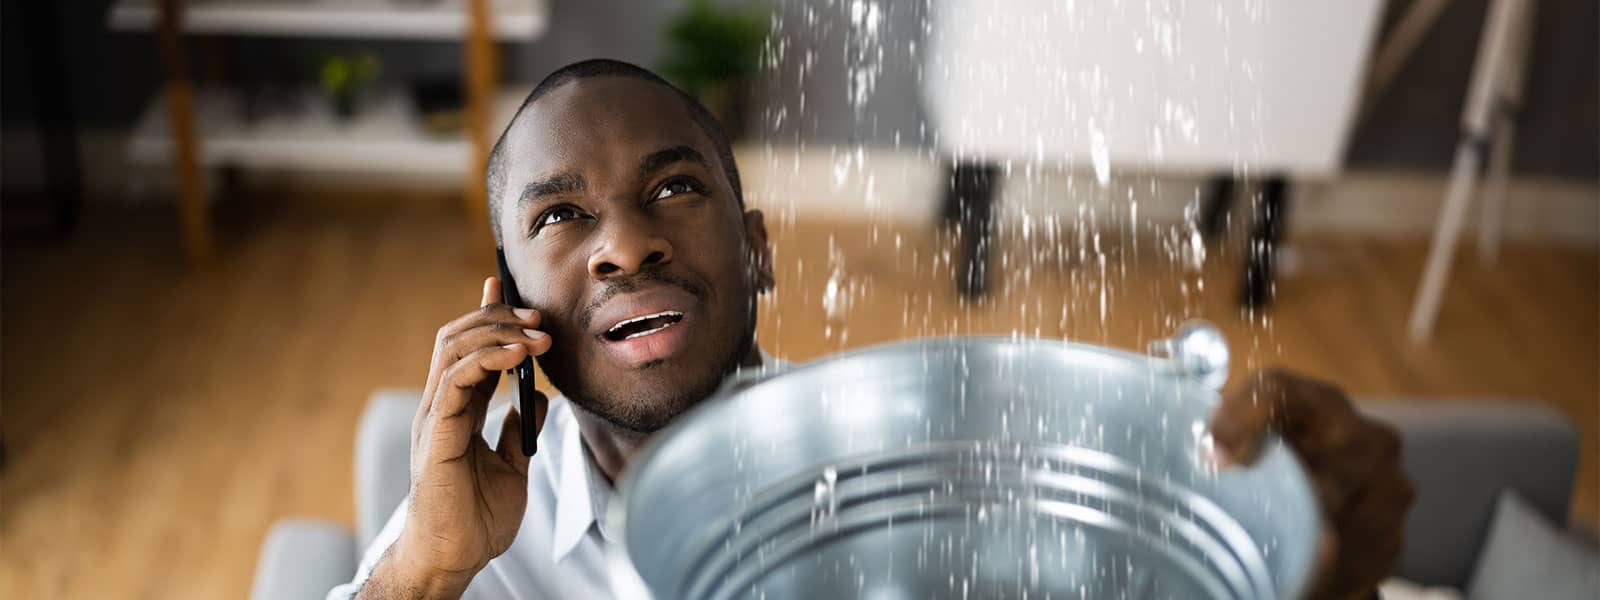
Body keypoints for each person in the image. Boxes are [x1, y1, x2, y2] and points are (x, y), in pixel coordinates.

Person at [332, 59, 1413, 600]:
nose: (623, 246)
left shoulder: (897, 483)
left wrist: (1321, 561)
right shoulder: (465, 544)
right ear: (507, 302)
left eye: (672, 189)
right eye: (560, 217)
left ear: (757, 252)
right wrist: (420, 572)